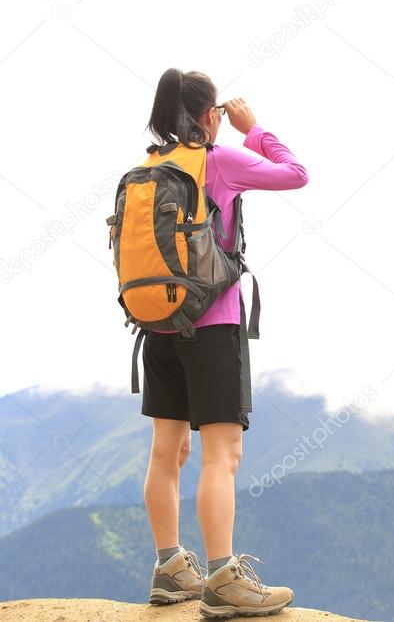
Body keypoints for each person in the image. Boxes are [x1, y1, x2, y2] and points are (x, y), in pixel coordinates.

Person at [140, 68, 308, 618]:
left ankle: (169, 567)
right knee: (222, 455)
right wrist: (254, 128)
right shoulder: (221, 160)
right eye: (216, 112)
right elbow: (295, 175)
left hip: (157, 324)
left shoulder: (148, 168)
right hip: (212, 325)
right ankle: (222, 578)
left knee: (167, 452)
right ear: (210, 115)